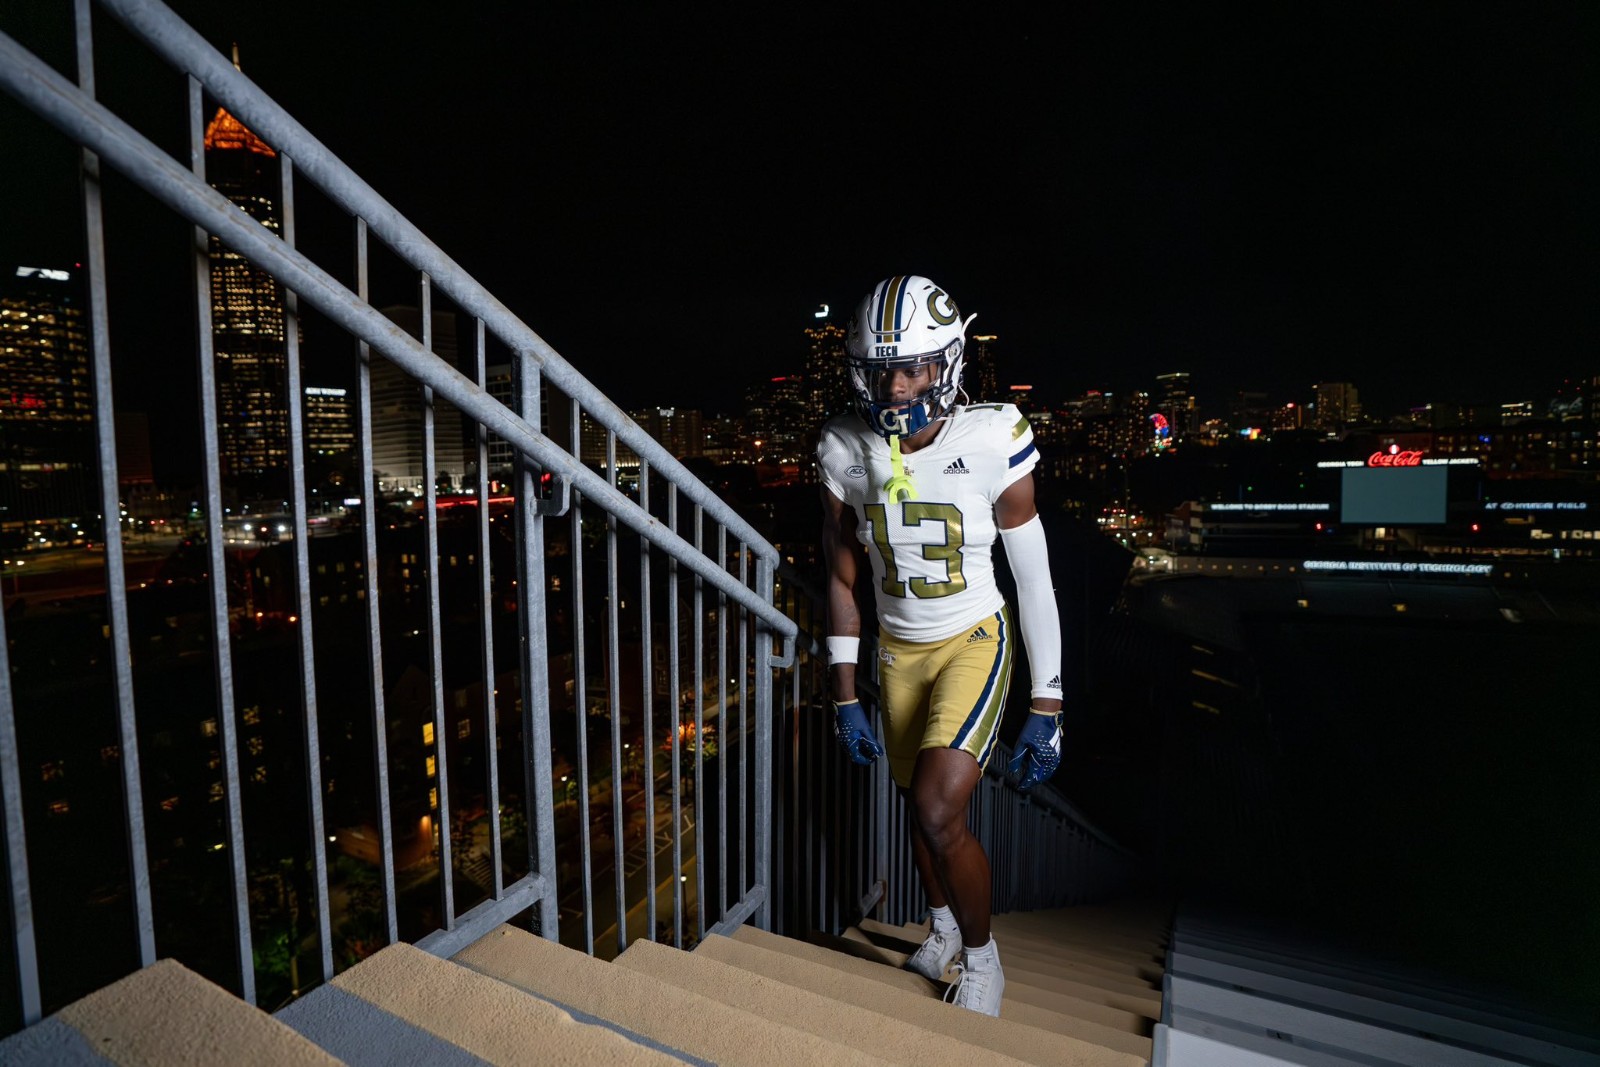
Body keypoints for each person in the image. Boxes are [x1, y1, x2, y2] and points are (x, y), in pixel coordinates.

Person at [817, 274, 1065, 1018]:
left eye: (914, 367)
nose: (896, 386)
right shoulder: (842, 445)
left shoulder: (992, 436)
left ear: (947, 363)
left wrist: (1048, 702)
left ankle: (984, 961)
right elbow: (841, 576)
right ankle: (944, 926)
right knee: (914, 805)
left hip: (972, 638)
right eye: (881, 370)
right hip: (897, 648)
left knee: (934, 806)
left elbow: (1034, 577)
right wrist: (843, 692)